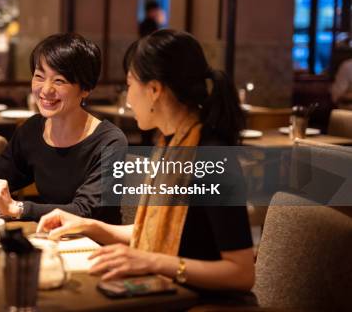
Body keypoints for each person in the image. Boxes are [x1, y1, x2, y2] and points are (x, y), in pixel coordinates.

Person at [37, 29, 255, 296]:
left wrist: (153, 261)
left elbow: (242, 273)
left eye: (129, 85)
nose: (128, 100)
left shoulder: (211, 156)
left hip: (204, 302)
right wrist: (91, 226)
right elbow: (159, 230)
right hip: (169, 293)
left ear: (153, 90)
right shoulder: (171, 145)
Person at [0, 33, 127, 223]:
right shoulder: (33, 129)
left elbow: (85, 210)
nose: (46, 90)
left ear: (85, 88)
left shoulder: (111, 142)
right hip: (49, 238)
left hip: (93, 247)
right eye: (39, 76)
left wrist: (17, 207)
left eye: (59, 81)